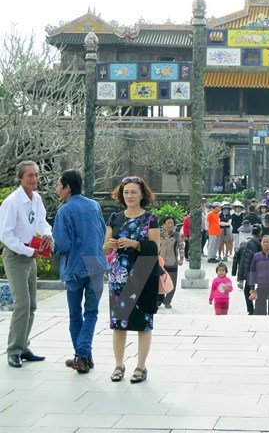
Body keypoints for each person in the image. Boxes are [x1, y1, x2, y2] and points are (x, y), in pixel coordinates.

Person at [103, 176, 160, 384]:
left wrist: (135, 243)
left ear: (142, 194)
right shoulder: (115, 218)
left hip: (142, 272)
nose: (129, 196)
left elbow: (155, 249)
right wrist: (111, 244)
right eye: (126, 192)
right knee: (119, 323)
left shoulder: (150, 219)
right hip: (118, 274)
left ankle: (140, 367)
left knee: (143, 322)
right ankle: (119, 365)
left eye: (134, 192)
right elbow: (105, 248)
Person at [52, 170, 109, 373]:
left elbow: (62, 245)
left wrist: (51, 248)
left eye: (59, 185)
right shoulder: (94, 205)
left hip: (75, 266)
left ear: (68, 187)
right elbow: (102, 233)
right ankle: (83, 355)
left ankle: (82, 355)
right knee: (91, 312)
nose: (57, 189)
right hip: (95, 263)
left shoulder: (64, 211)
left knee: (75, 314)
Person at [0, 161, 53, 368]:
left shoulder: (36, 198)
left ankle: (23, 346)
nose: (34, 179)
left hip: (32, 255)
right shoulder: (12, 202)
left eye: (36, 175)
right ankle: (13, 350)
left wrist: (47, 234)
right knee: (22, 303)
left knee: (31, 305)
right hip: (16, 256)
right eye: (30, 175)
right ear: (20, 177)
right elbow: (6, 235)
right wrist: (29, 251)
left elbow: (42, 221)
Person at [235, 224, 262, 315]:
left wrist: (235, 270)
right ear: (260, 232)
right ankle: (257, 308)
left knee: (247, 289)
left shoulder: (243, 242)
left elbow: (236, 256)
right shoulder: (258, 244)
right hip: (255, 270)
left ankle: (250, 310)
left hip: (245, 268)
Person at [159, 216, 184, 309]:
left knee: (172, 282)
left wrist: (181, 258)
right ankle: (159, 300)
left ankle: (167, 301)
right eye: (168, 223)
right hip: (160, 263)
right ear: (163, 224)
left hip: (172, 262)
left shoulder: (177, 235)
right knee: (159, 282)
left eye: (172, 223)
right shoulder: (159, 235)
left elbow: (181, 247)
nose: (170, 225)